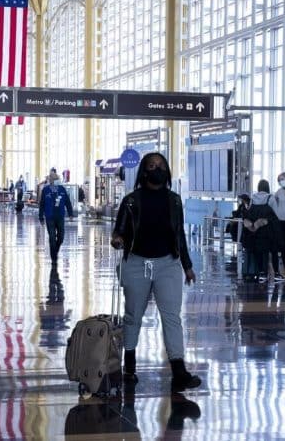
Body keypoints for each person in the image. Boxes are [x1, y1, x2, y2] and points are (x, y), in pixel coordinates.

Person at [110, 152, 201, 392]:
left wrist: (188, 266)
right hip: (137, 262)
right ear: (143, 171)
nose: (156, 169)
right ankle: (129, 365)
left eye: (161, 165)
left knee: (171, 316)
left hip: (168, 264)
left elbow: (179, 234)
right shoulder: (131, 200)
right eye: (151, 166)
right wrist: (117, 240)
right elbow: (118, 231)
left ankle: (179, 370)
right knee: (133, 315)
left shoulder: (175, 201)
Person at [247, 179, 283, 282]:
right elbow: (277, 214)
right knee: (273, 251)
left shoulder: (253, 198)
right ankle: (276, 274)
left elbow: (250, 213)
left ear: (258, 187)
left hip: (257, 231)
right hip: (270, 231)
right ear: (267, 188)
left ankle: (262, 274)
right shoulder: (270, 198)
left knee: (261, 251)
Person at [38, 170, 75, 265]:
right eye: (56, 179)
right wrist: (41, 217)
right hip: (49, 216)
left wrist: (70, 214)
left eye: (58, 179)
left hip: (60, 216)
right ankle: (53, 256)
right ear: (51, 180)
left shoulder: (62, 189)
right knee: (52, 236)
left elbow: (67, 202)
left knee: (61, 237)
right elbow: (42, 204)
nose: (58, 180)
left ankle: (56, 249)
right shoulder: (45, 190)